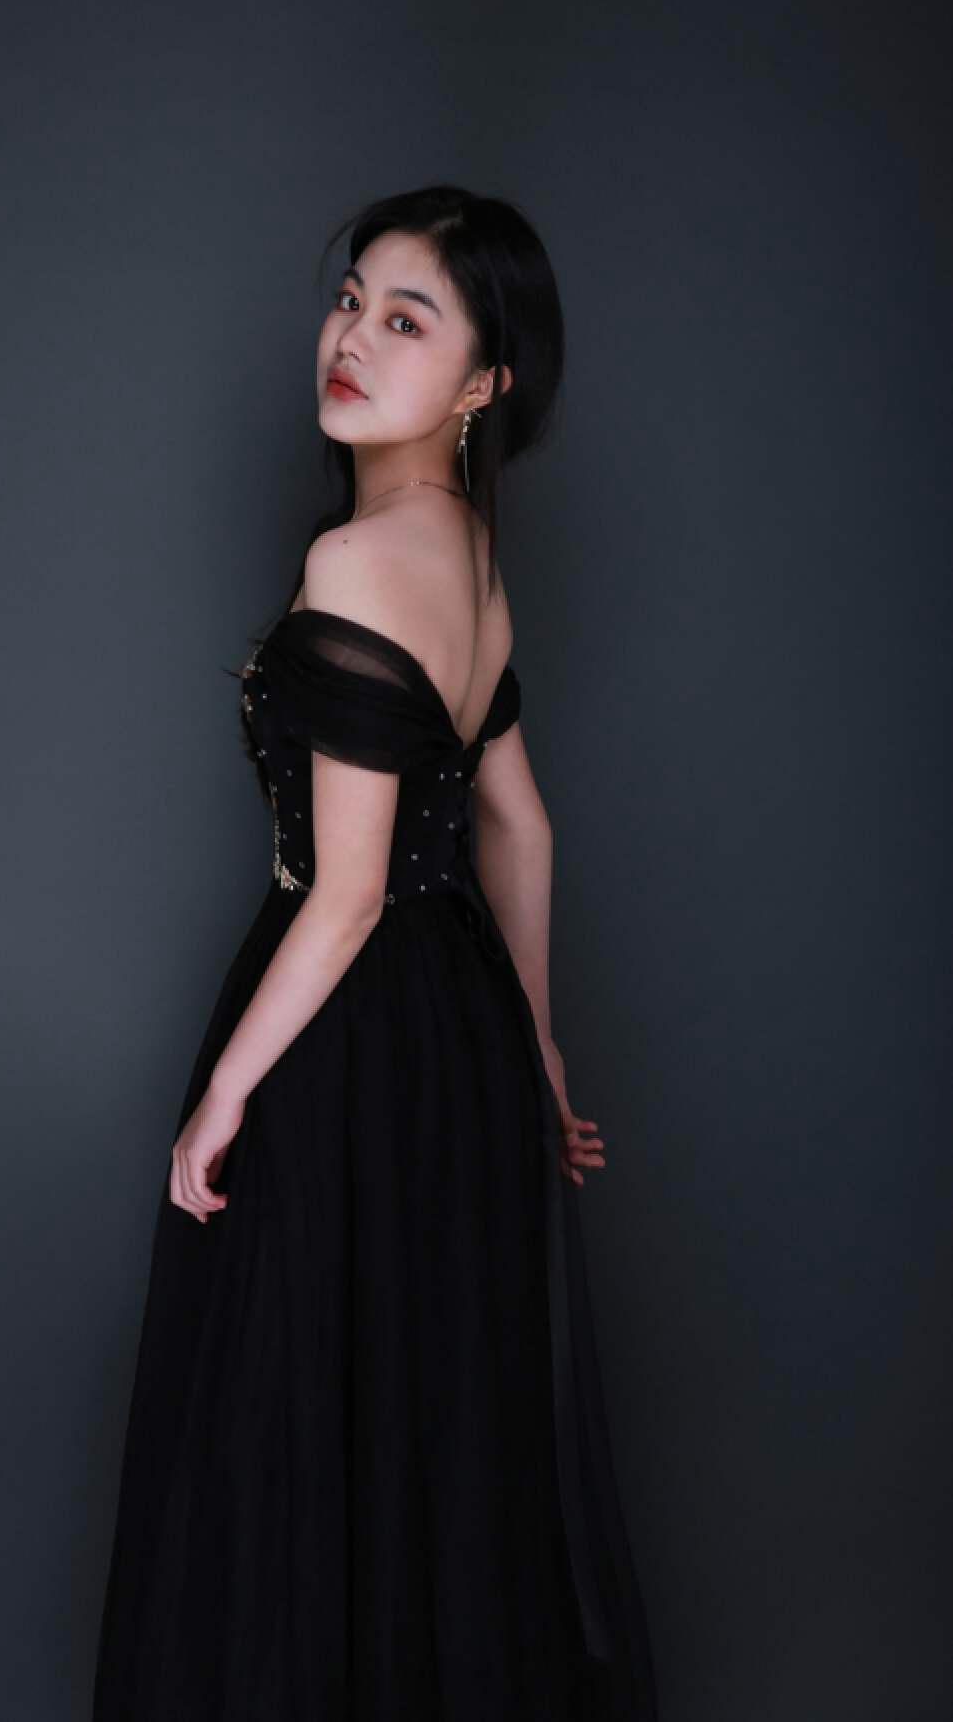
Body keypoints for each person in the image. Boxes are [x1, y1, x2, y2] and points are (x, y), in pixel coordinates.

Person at [93, 184, 658, 1721]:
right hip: (453, 1038)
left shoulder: (357, 561)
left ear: (483, 383)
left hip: (343, 1035)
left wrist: (223, 1095)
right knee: (424, 1417)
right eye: (350, 300)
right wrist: (532, 1045)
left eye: (406, 320)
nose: (350, 337)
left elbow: (343, 895)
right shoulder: (466, 553)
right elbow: (517, 825)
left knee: (297, 1415)